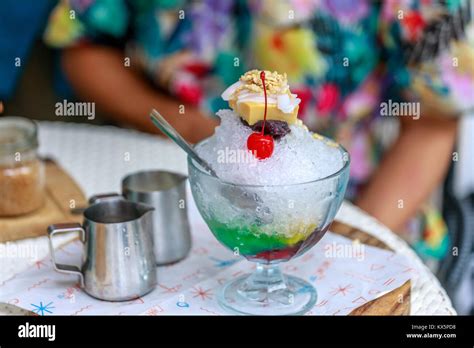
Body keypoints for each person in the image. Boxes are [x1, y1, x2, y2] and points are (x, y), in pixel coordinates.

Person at [44, 0, 474, 263]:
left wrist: (342, 246)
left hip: (358, 207)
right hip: (181, 191)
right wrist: (183, 123)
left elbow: (434, 119)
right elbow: (83, 45)